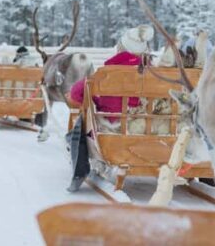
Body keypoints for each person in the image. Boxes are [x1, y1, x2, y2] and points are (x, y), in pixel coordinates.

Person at [66, 25, 154, 192]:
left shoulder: (108, 72)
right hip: (150, 125)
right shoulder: (155, 73)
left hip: (113, 127)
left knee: (83, 119)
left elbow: (77, 93)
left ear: (121, 48)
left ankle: (84, 167)